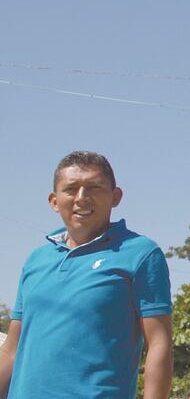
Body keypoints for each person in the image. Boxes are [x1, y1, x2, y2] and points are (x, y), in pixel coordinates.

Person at [0, 151, 173, 399]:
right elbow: (11, 351)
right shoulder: (35, 261)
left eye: (94, 187)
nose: (82, 198)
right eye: (71, 189)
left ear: (115, 197)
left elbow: (159, 343)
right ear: (54, 201)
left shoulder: (141, 253)